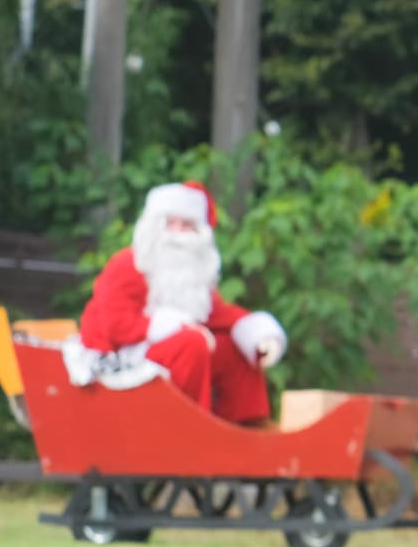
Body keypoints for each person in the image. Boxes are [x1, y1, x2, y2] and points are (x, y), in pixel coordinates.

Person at [69, 180, 287, 422]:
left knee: (233, 349)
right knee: (191, 344)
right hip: (119, 358)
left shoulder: (193, 276)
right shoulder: (130, 265)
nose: (177, 233)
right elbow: (115, 325)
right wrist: (176, 326)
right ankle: (190, 427)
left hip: (165, 355)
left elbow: (216, 314)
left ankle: (246, 425)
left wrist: (257, 333)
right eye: (170, 223)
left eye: (186, 225)